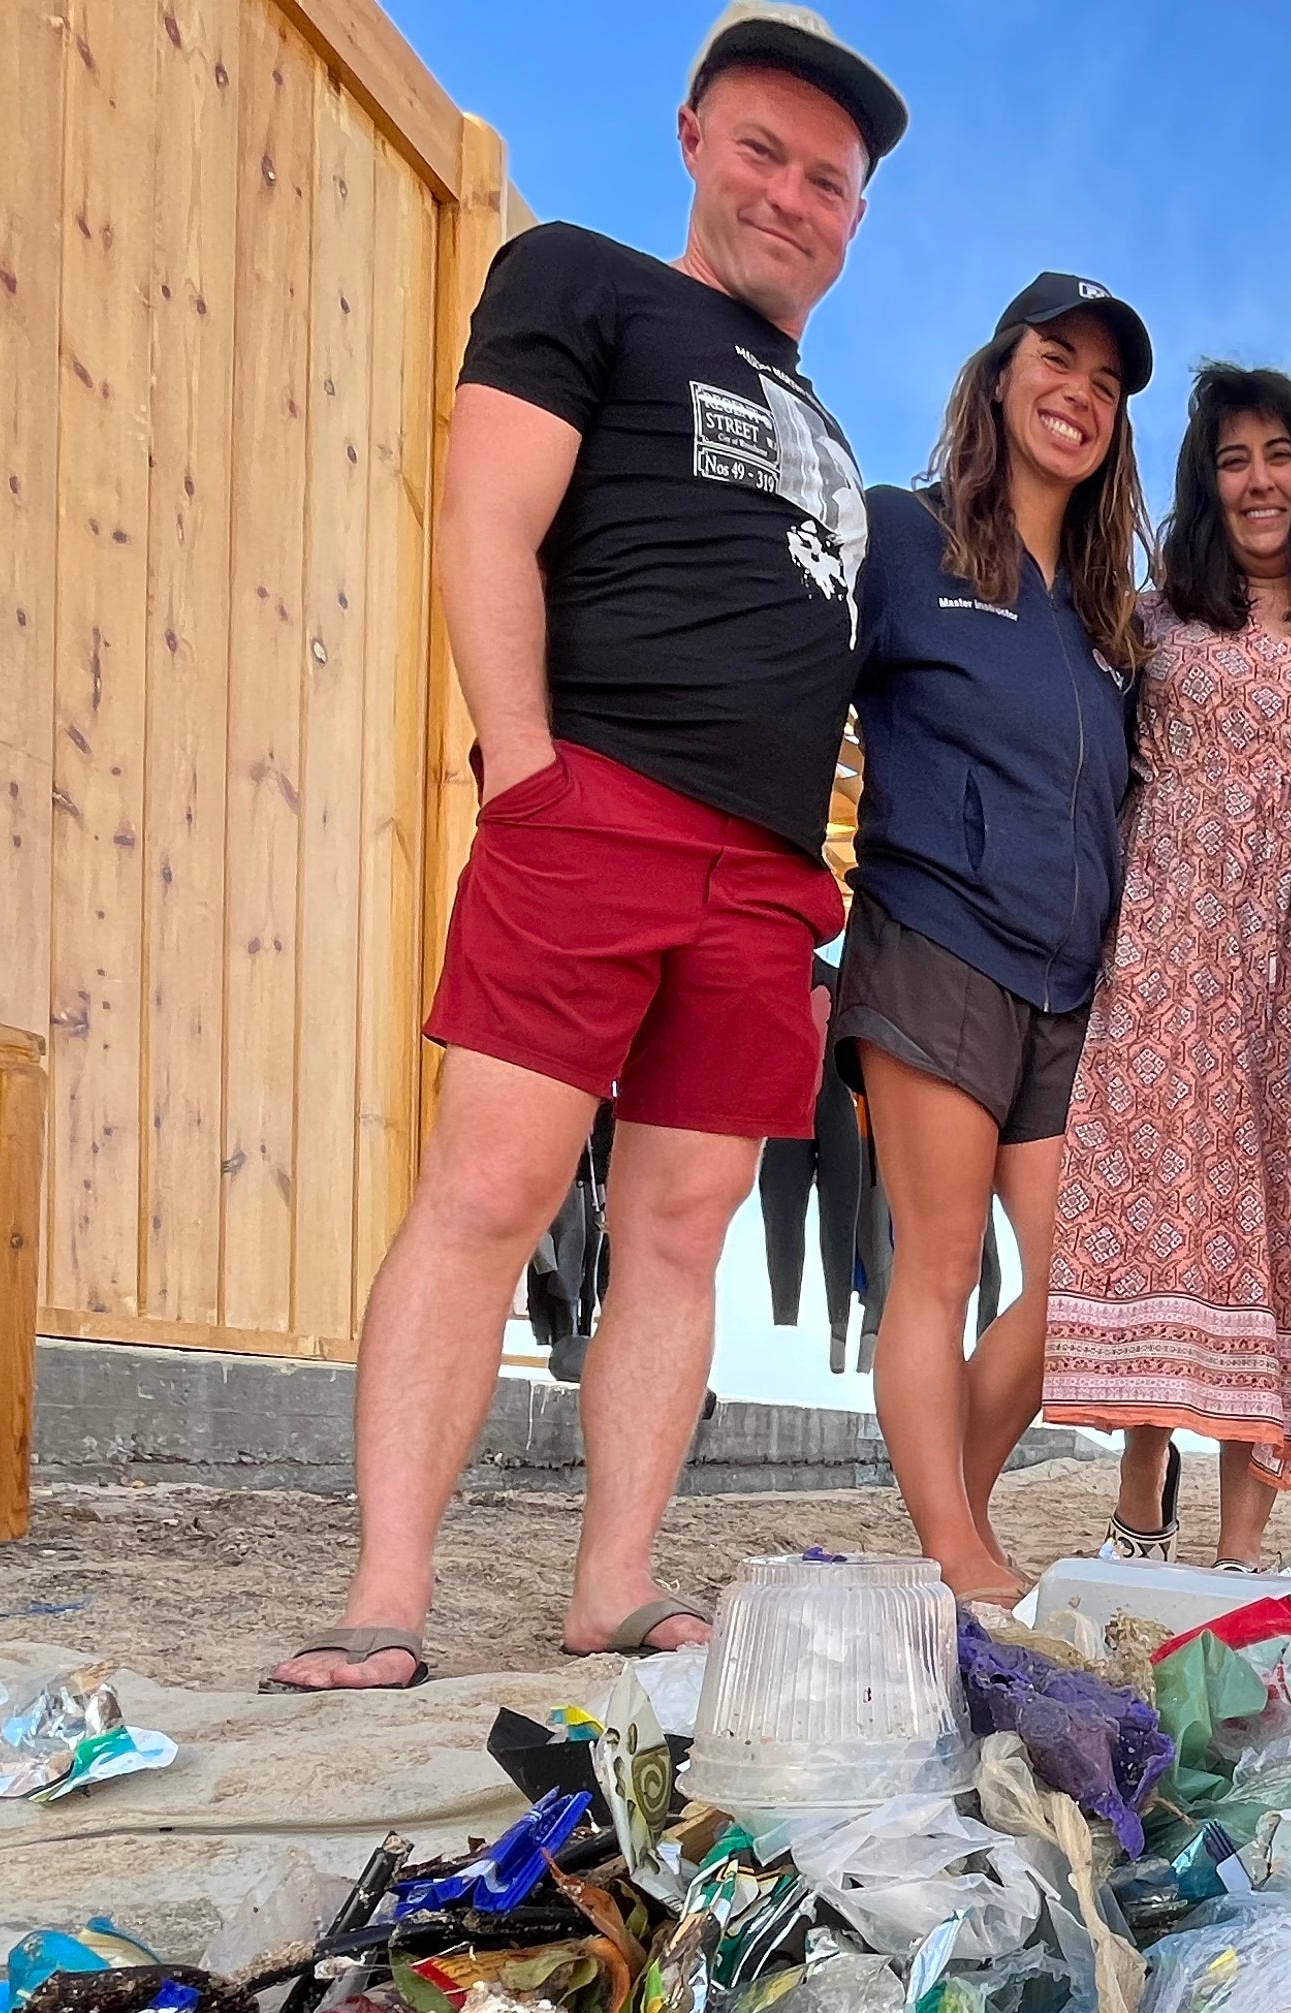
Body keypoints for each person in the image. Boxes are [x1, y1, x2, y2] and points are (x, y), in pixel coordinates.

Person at [265, 7, 902, 1693]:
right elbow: (484, 512)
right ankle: (384, 1586)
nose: (790, 195)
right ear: (693, 137)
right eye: (762, 151)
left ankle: (611, 1582)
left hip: (767, 875)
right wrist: (529, 770)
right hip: (597, 807)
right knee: (486, 1188)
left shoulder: (827, 428)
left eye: (826, 179)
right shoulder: (582, 280)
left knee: (679, 1230)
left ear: (855, 219)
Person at [1039, 366, 1291, 1566]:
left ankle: (1242, 1547)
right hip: (1169, 955)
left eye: (1278, 454)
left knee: (1284, 1226)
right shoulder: (1154, 624)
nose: (1258, 480)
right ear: (1206, 484)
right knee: (1170, 1215)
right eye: (1231, 458)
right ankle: (1141, 1504)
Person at [842, 272, 1155, 1599]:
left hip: (1067, 976)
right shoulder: (900, 537)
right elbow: (805, 703)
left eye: (1104, 380)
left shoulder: (1107, 619)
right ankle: (962, 1554)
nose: (1076, 391)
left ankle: (941, 1529)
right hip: (934, 934)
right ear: (1000, 372)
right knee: (946, 1257)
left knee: (1080, 1282)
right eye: (1056, 359)